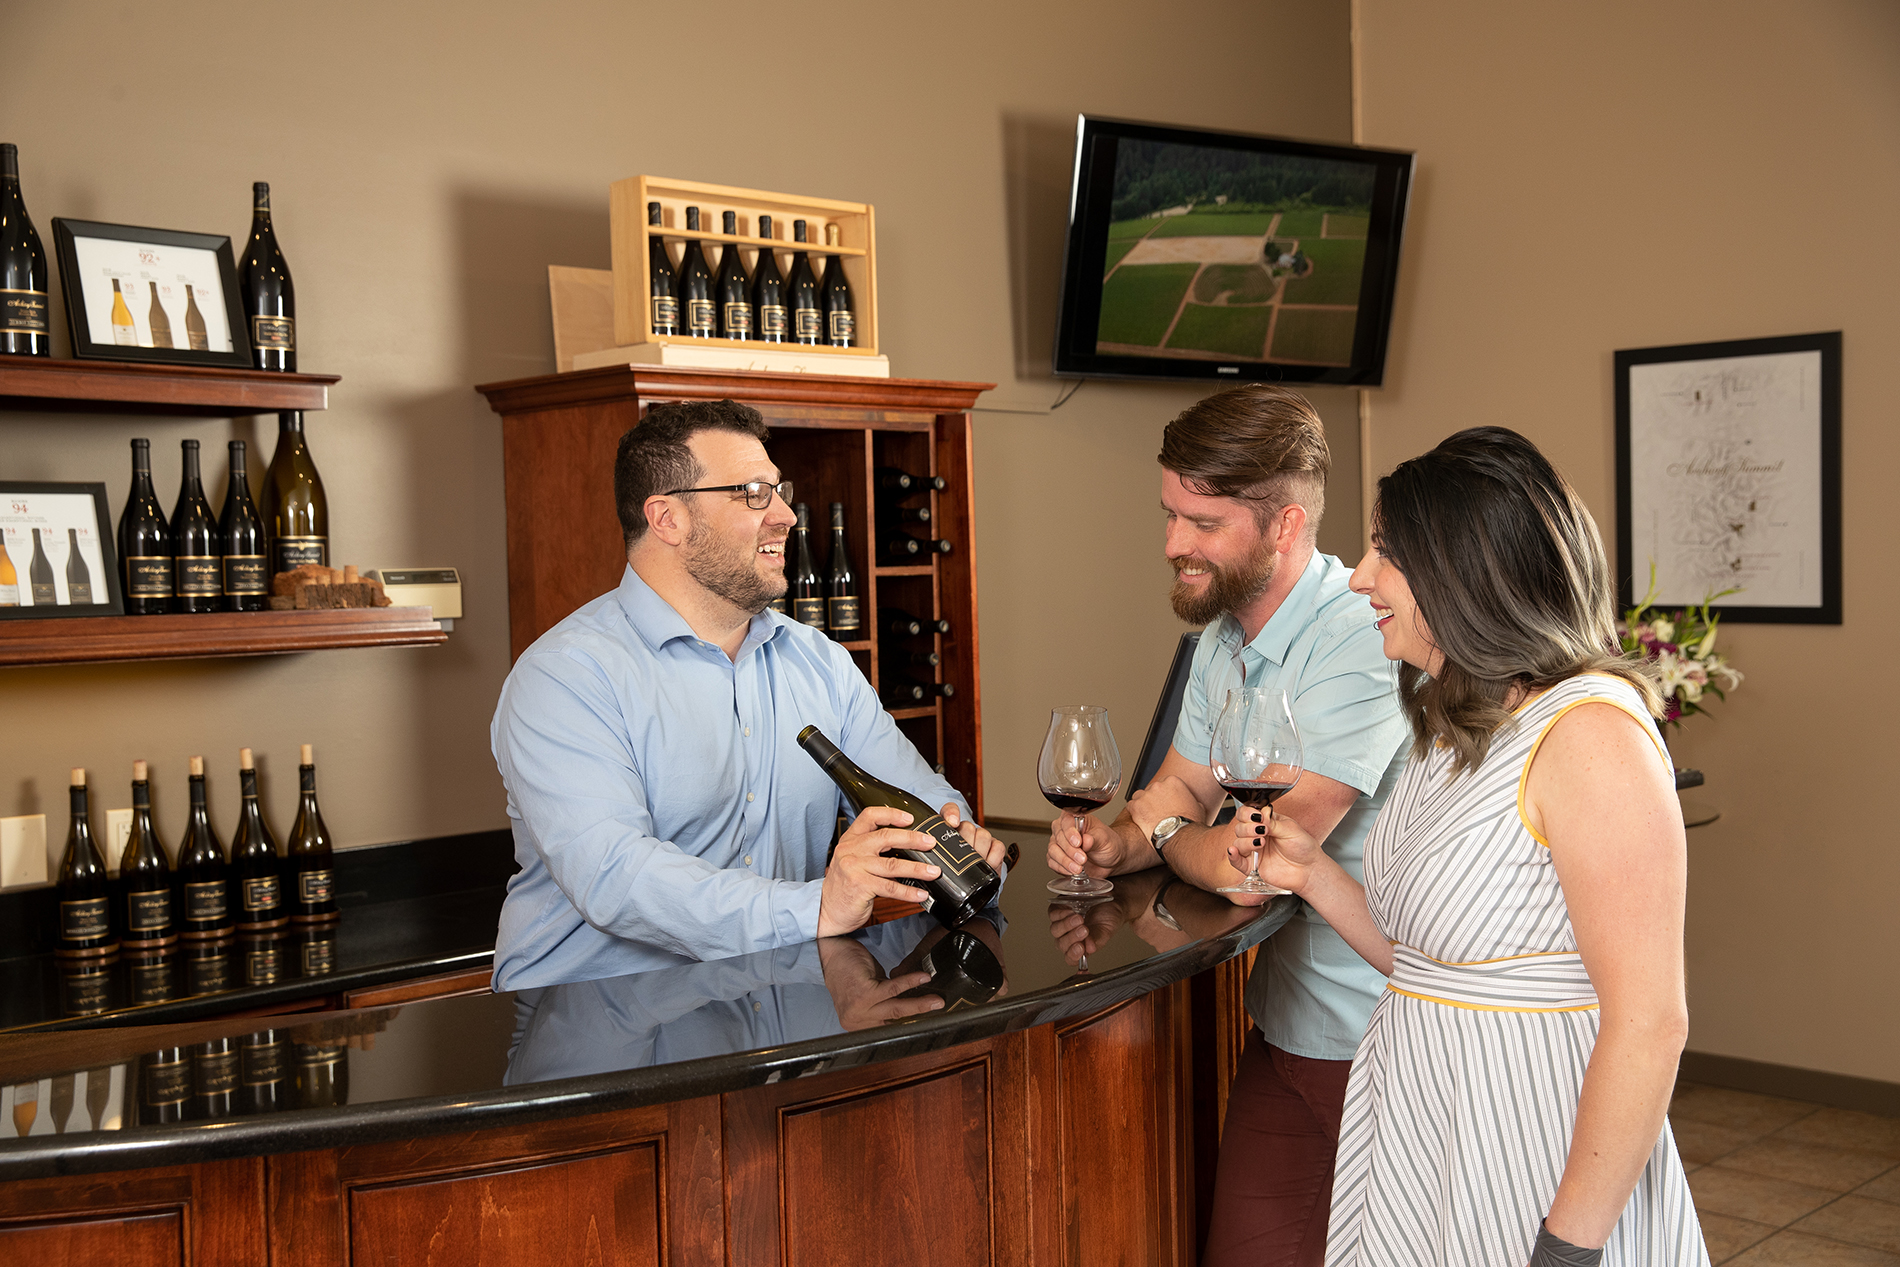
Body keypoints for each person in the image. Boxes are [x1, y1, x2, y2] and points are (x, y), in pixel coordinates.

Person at [1246, 428, 1708, 1266]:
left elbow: (1651, 1022)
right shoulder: (1457, 724)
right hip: (1425, 1142)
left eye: (1386, 548)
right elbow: (1432, 961)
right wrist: (1310, 872)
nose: (1359, 575)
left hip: (1533, 1151)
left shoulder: (1591, 735)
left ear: (1465, 569)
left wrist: (1567, 1246)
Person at [1044, 384, 1411, 1267]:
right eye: (1170, 514)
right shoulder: (1223, 636)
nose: (1173, 544)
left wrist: (1167, 834)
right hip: (1289, 1027)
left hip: (1381, 1042)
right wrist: (1110, 841)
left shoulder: (1359, 638)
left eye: (1202, 523)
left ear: (1283, 526)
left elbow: (1259, 858)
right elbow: (1175, 788)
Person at [490, 399, 1003, 992]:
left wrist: (963, 846)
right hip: (601, 1025)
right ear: (667, 519)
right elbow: (615, 877)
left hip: (781, 1006)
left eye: (779, 490)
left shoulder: (821, 664)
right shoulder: (565, 676)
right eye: (754, 492)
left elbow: (921, 801)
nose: (786, 515)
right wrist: (817, 908)